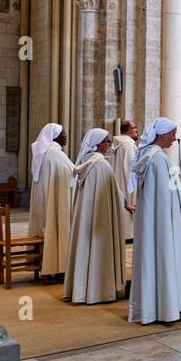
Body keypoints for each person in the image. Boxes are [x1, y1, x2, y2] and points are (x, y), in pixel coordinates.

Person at [127, 117, 181, 324]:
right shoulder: (158, 159)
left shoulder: (148, 155)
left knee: (153, 257)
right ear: (162, 135)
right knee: (163, 254)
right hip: (163, 220)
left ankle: (156, 305)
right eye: (172, 134)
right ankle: (165, 306)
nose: (174, 139)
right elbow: (167, 195)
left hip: (154, 219)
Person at [64, 128, 125, 304]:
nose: (110, 145)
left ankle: (81, 290)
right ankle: (99, 290)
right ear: (98, 144)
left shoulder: (85, 161)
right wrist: (125, 204)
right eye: (107, 142)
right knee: (99, 250)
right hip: (101, 219)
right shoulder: (101, 165)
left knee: (85, 247)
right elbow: (113, 192)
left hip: (86, 218)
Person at [27, 122, 73, 279]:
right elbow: (71, 174)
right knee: (56, 230)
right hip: (55, 201)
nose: (66, 136)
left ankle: (46, 265)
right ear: (55, 137)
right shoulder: (55, 155)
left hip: (43, 202)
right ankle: (56, 267)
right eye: (63, 133)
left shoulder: (44, 153)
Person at [107, 120, 138, 242]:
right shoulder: (128, 146)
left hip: (118, 183)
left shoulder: (119, 145)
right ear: (128, 130)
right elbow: (132, 172)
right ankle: (128, 233)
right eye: (135, 127)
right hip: (127, 186)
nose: (137, 131)